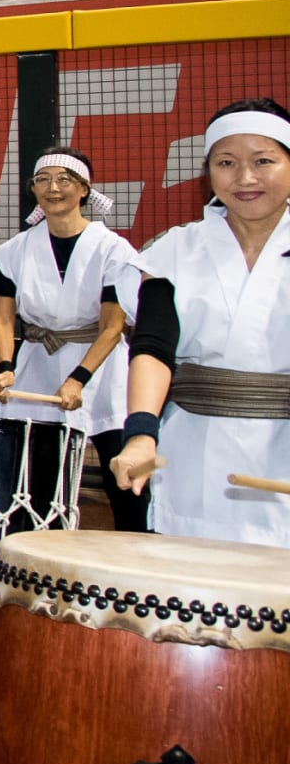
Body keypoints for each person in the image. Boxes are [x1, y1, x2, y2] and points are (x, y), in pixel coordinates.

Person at [110, 98, 290, 548]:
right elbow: (152, 348)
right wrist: (140, 436)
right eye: (226, 163)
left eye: (263, 161)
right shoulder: (174, 251)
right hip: (193, 452)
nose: (245, 178)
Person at [0, 146, 145, 532]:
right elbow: (4, 321)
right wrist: (5, 370)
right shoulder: (13, 251)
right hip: (37, 365)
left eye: (64, 180)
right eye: (43, 180)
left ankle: (138, 555)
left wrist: (77, 379)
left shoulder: (113, 250)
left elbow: (111, 325)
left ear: (84, 189)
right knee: (38, 478)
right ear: (33, 189)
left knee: (124, 473)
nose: (53, 188)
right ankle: (37, 560)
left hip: (102, 372)